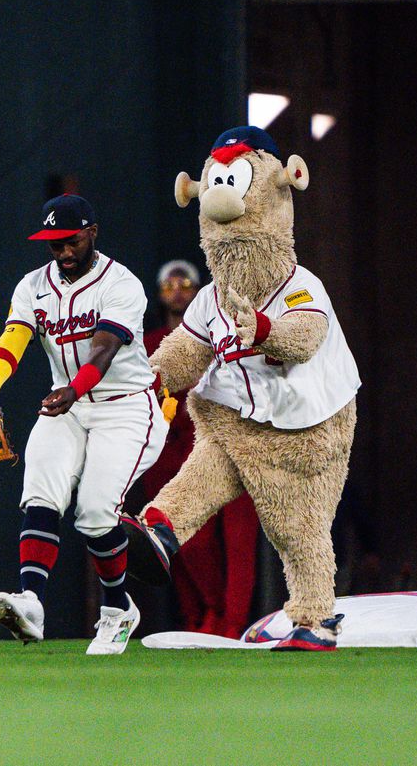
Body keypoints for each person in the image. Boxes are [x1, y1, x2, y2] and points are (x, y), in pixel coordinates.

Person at [0, 194, 166, 655]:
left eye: (70, 240)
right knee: (41, 491)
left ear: (92, 232)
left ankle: (118, 610)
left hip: (124, 406)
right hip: (66, 405)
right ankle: (32, 602)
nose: (62, 251)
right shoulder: (32, 285)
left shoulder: (122, 284)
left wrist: (74, 390)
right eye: (53, 243)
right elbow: (13, 337)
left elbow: (104, 349)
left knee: (95, 513)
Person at [136, 259, 259, 638]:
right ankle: (203, 616)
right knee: (185, 541)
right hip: (171, 454)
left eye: (185, 282)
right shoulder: (149, 344)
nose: (177, 290)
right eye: (169, 283)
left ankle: (232, 624)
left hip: (230, 442)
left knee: (240, 542)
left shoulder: (225, 334)